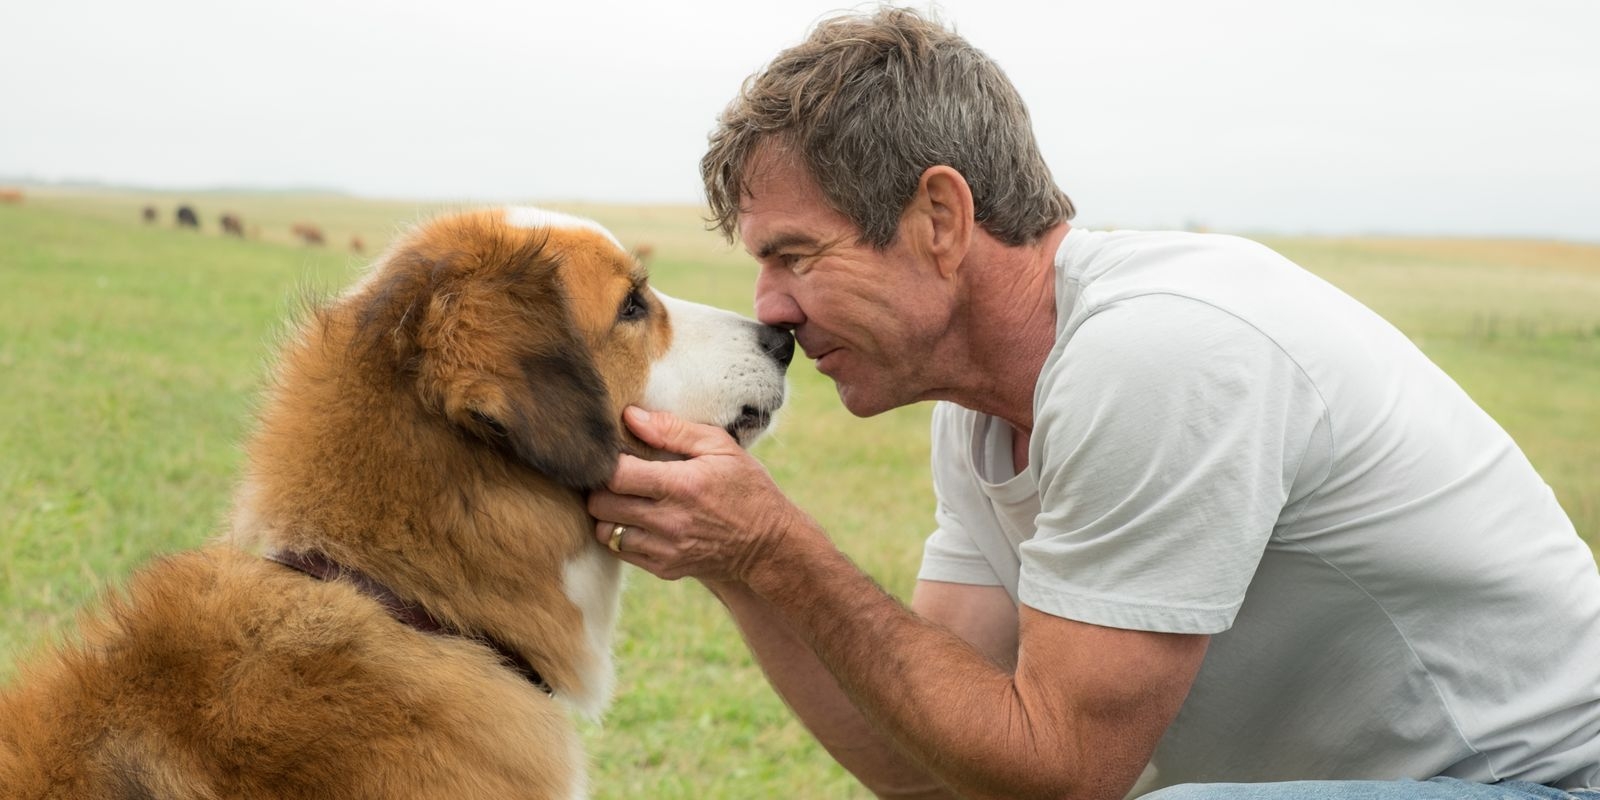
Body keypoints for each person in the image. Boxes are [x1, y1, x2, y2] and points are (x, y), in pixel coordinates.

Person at [587, 8, 1600, 800]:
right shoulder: (982, 412)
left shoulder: (1158, 350)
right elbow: (932, 767)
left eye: (795, 256)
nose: (770, 309)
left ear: (938, 216)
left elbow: (1060, 773)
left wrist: (774, 547)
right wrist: (734, 566)